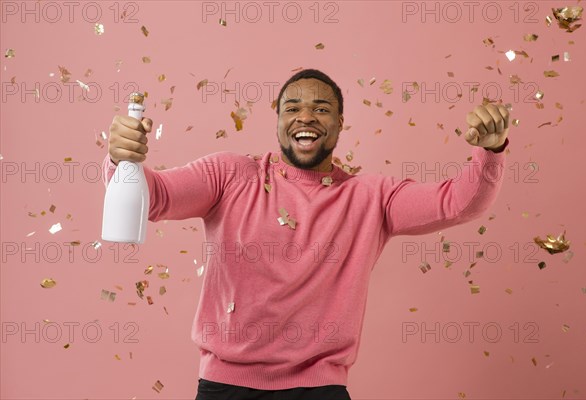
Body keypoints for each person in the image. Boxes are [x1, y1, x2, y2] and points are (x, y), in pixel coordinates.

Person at [103, 69, 510, 400]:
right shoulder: (230, 175)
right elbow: (153, 198)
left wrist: (491, 150)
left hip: (319, 391)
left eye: (321, 108)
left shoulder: (370, 197)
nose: (306, 117)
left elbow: (458, 202)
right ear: (278, 119)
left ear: (339, 123)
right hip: (224, 387)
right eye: (293, 107)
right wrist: (120, 159)